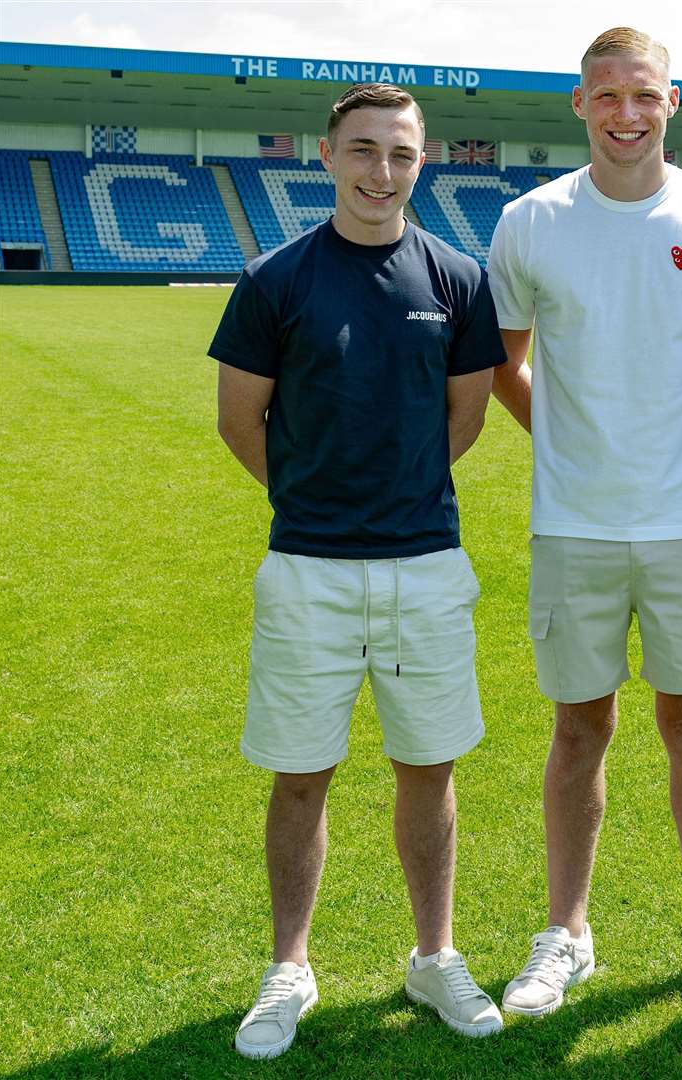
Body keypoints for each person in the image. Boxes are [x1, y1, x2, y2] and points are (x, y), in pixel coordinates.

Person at [486, 26, 682, 1023]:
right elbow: (504, 359)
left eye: (642, 95)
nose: (625, 114)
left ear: (671, 102)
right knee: (579, 729)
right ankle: (567, 933)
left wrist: (681, 443)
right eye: (605, 96)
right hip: (574, 522)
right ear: (579, 106)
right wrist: (568, 440)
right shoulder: (530, 223)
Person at [210, 82, 506, 1058]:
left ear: (422, 163)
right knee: (302, 778)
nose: (384, 172)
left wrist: (397, 497)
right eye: (366, 150)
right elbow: (238, 421)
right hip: (309, 570)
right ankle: (289, 966)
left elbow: (465, 418)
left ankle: (433, 958)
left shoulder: (458, 278)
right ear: (329, 157)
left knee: (429, 768)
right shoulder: (275, 280)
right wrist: (314, 502)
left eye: (403, 154)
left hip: (425, 566)